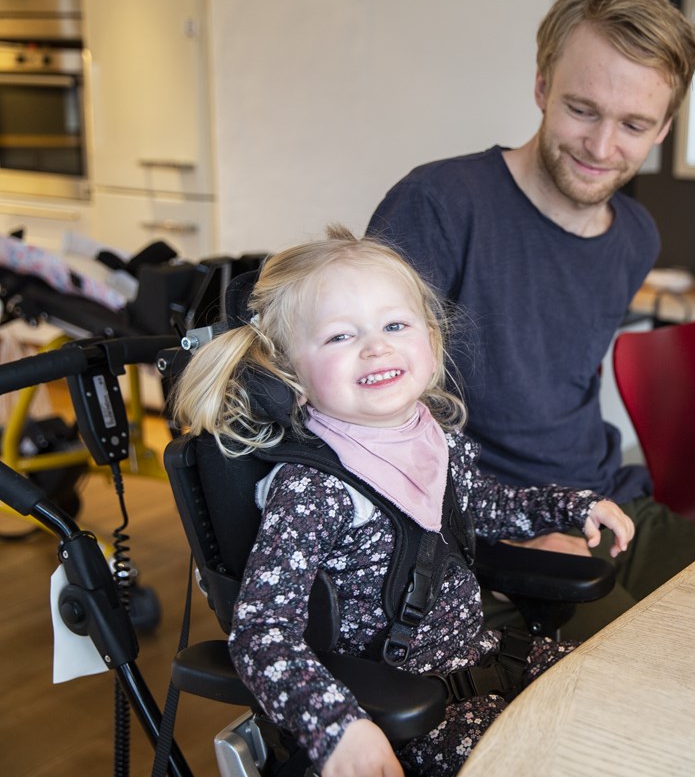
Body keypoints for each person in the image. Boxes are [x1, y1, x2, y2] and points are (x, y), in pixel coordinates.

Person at [170, 226, 634, 777]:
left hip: (483, 659)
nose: (376, 346)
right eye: (340, 336)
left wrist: (568, 507)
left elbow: (480, 505)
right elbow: (261, 632)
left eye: (395, 325)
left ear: (432, 343)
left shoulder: (436, 437)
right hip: (397, 711)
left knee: (622, 702)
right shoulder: (313, 488)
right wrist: (339, 729)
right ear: (289, 372)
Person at [366, 0, 695, 639]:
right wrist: (504, 525)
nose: (603, 146)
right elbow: (361, 419)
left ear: (664, 129)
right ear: (541, 87)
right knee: (657, 673)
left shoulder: (636, 236)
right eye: (582, 109)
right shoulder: (439, 204)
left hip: (604, 499)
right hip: (479, 527)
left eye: (635, 125)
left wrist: (576, 509)